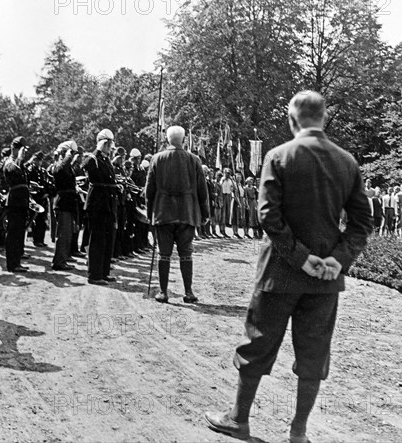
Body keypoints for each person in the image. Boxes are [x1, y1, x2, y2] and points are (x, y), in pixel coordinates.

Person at [204, 91, 372, 442]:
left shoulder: (278, 156)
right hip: (325, 278)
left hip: (279, 272)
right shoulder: (347, 162)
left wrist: (299, 257)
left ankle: (239, 419)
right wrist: (336, 261)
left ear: (292, 119)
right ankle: (298, 433)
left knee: (258, 345)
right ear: (323, 118)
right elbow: (361, 224)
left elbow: (268, 215)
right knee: (314, 354)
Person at [145, 125, 210, 304]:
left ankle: (163, 292)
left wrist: (149, 213)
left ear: (167, 139)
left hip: (163, 213)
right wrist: (205, 213)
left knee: (163, 253)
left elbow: (149, 191)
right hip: (187, 213)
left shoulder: (157, 159)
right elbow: (202, 190)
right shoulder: (194, 160)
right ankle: (188, 292)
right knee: (186, 253)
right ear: (183, 140)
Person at [82, 129, 119, 285]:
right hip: (97, 204)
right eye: (108, 143)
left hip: (107, 204)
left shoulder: (106, 160)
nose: (111, 147)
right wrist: (97, 149)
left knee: (107, 239)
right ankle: (94, 275)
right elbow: (85, 166)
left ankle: (103, 272)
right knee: (97, 240)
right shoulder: (93, 158)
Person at [3, 137, 30, 272]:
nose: (23, 153)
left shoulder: (20, 163)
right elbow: (15, 173)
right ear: (14, 149)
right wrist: (19, 158)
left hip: (22, 201)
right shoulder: (10, 162)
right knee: (13, 233)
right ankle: (12, 264)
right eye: (21, 149)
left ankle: (17, 261)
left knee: (19, 233)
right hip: (14, 201)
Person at [51, 141, 79, 271]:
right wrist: (68, 156)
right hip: (62, 203)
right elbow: (59, 170)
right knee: (62, 234)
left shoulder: (68, 167)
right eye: (70, 153)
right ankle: (59, 261)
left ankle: (63, 259)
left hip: (68, 203)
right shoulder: (58, 165)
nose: (72, 156)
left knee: (67, 234)